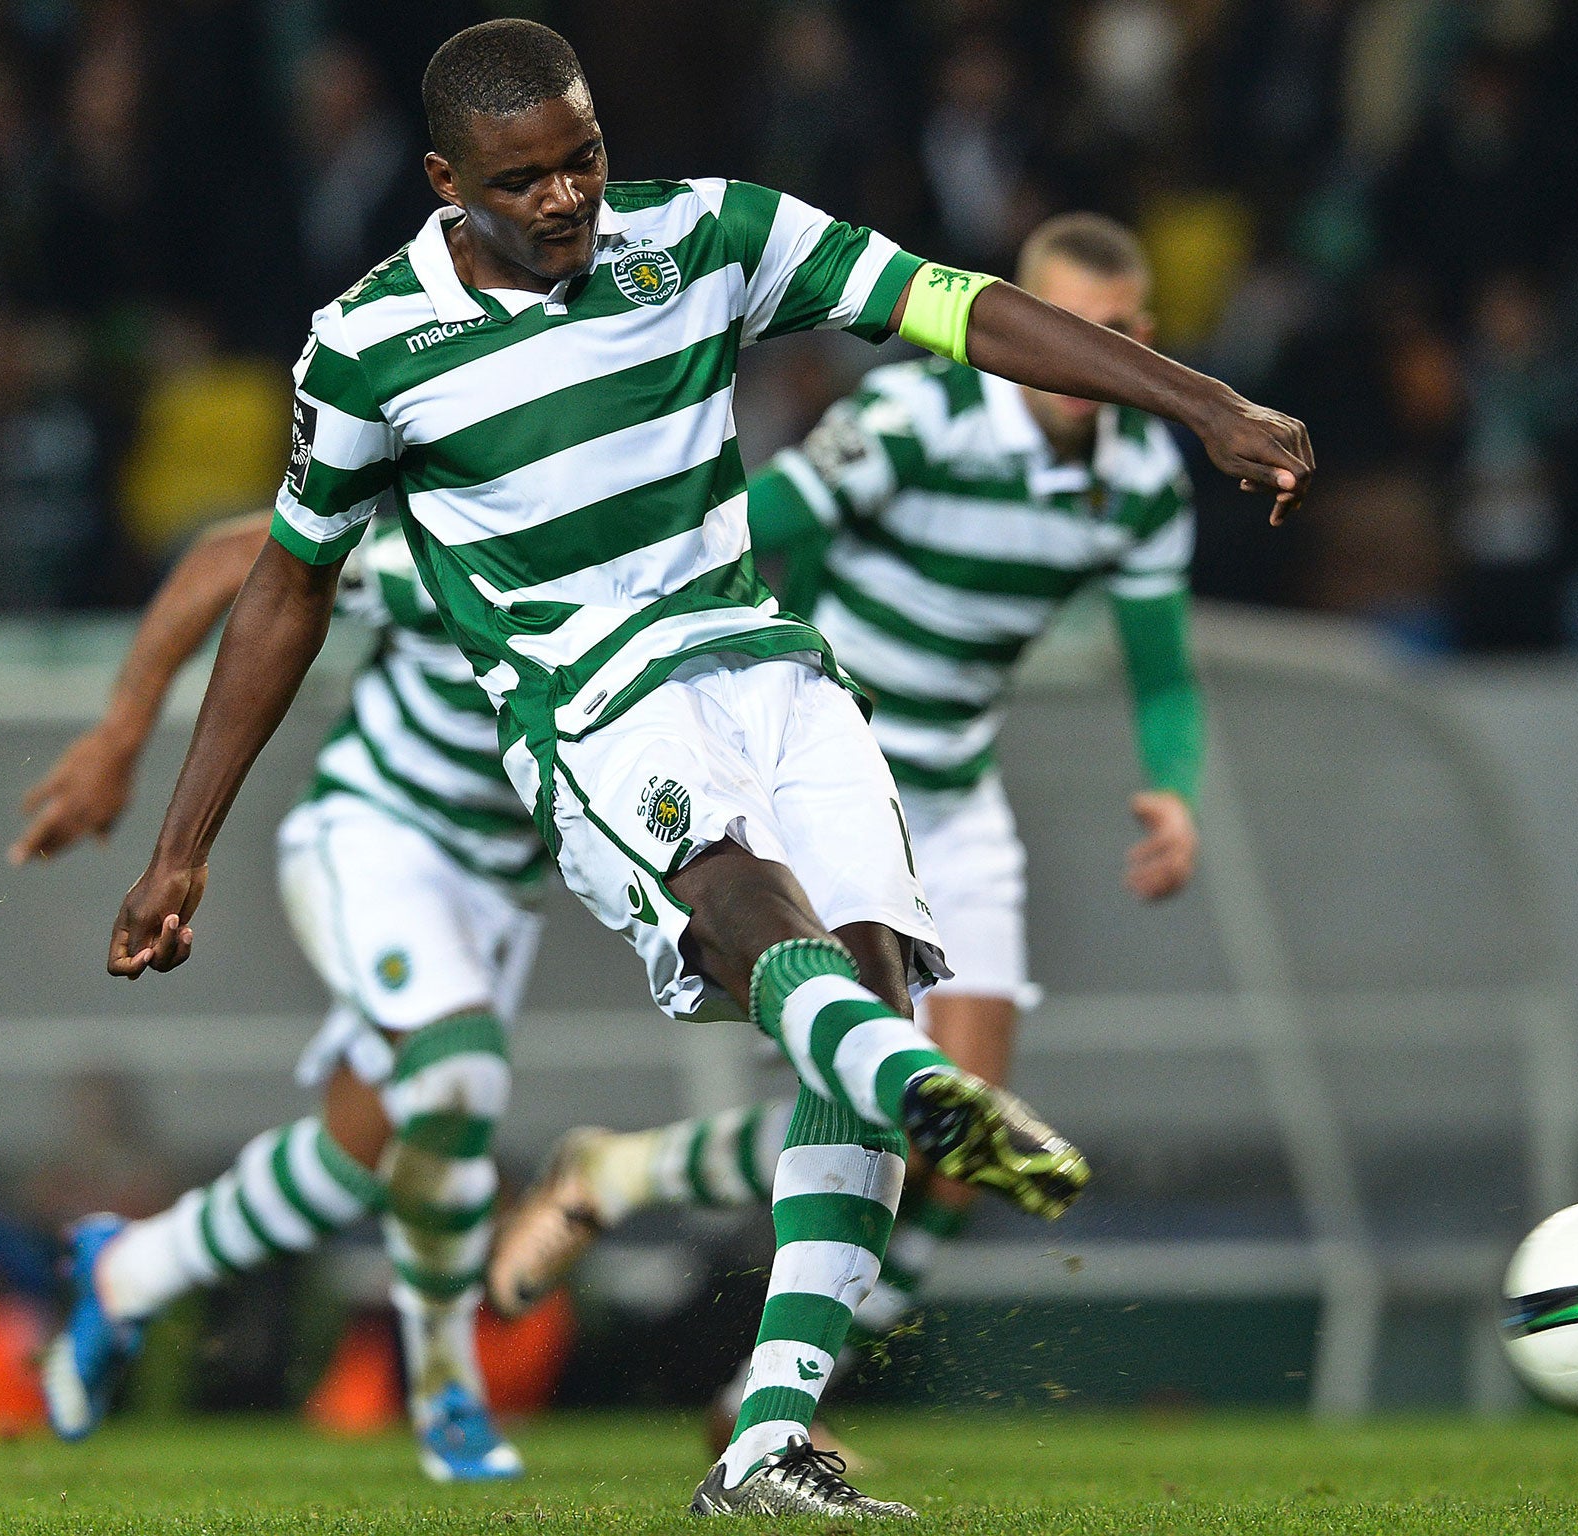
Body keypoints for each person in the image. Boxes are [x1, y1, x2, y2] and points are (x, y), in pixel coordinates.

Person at [100, 20, 1310, 1517]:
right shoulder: (367, 346)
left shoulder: (709, 233)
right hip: (595, 708)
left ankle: (768, 1440)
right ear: (443, 180)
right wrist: (181, 840)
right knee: (763, 934)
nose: (565, 199)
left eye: (584, 159)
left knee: (862, 999)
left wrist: (1199, 403)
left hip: (776, 671)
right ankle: (914, 1085)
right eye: (523, 179)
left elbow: (956, 306)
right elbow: (284, 583)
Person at [488, 213, 1207, 1432]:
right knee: (882, 1079)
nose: (1097, 357)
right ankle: (777, 1401)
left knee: (949, 1131)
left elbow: (1161, 662)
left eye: (1123, 333)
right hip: (837, 768)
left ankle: (650, 1209)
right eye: (1075, 327)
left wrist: (1171, 786)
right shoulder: (915, 423)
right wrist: (783, 694)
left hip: (960, 794)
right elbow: (779, 518)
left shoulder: (1138, 479)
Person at [21, 510, 538, 1482]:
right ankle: (446, 1395)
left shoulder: (649, 558)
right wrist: (122, 733)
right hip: (379, 835)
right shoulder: (460, 532)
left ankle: (129, 1271)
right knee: (457, 1073)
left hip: (502, 886)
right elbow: (231, 556)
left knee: (363, 1151)